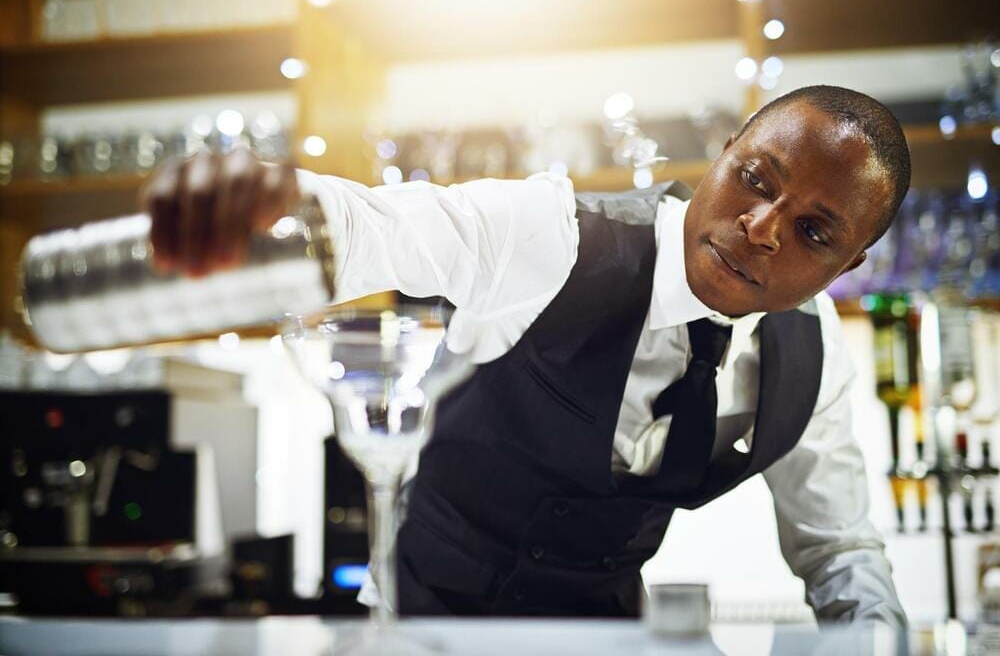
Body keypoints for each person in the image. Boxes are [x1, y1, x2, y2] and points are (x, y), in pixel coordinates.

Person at [141, 85, 910, 629]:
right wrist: (263, 204)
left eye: (814, 232)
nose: (764, 226)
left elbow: (838, 546)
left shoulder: (812, 357)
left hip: (600, 638)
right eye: (755, 179)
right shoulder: (552, 235)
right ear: (728, 148)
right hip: (426, 630)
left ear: (846, 266)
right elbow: (377, 225)